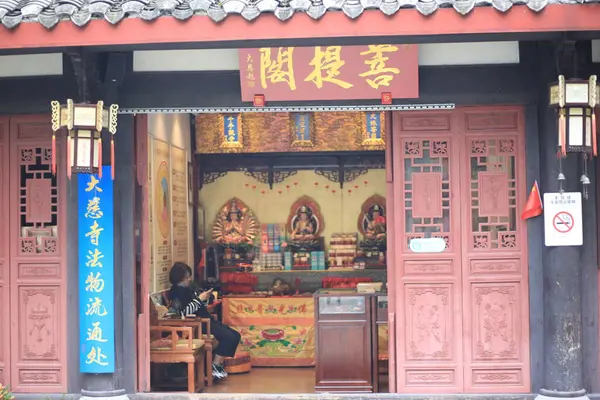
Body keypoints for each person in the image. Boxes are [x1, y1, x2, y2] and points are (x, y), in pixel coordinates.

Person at [168, 262, 241, 380]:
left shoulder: (186, 289)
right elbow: (182, 313)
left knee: (235, 335)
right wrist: (199, 299)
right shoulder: (175, 292)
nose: (190, 279)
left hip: (207, 321)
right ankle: (215, 366)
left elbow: (196, 305)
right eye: (187, 277)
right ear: (180, 278)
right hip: (199, 324)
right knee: (230, 337)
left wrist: (203, 299)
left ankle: (215, 366)